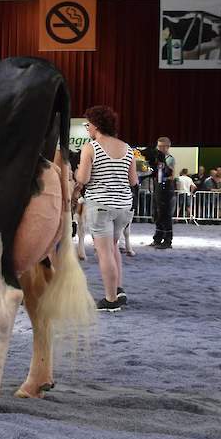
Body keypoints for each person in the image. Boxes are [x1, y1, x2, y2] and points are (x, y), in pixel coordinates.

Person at [74, 106, 137, 312]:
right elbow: (133, 180)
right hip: (124, 206)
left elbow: (83, 179)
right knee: (113, 246)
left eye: (87, 124)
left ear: (96, 125)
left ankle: (110, 300)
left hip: (101, 205)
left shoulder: (91, 147)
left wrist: (76, 174)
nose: (87, 128)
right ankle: (118, 289)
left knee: (104, 252)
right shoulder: (127, 148)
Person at [149, 136, 176, 249]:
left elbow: (171, 175)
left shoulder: (169, 159)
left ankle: (167, 240)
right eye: (158, 146)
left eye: (161, 146)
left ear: (167, 147)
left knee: (165, 215)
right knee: (157, 214)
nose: (158, 148)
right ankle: (158, 238)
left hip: (166, 188)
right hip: (157, 188)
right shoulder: (157, 158)